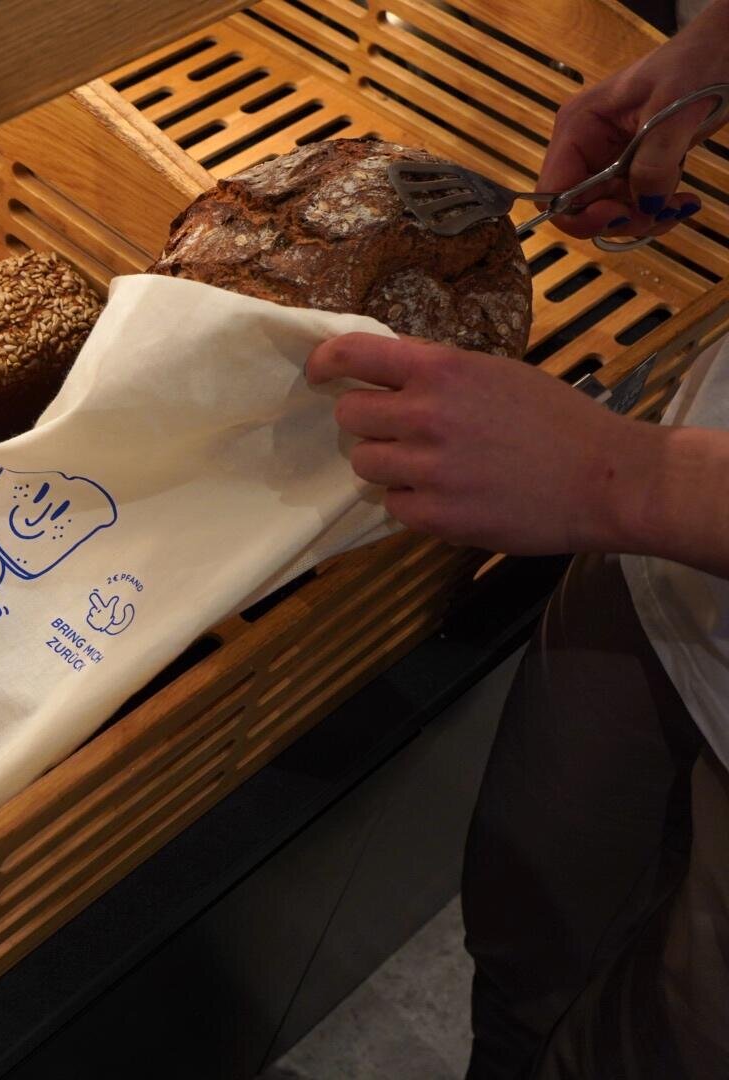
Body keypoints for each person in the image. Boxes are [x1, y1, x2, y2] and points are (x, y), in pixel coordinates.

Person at [304, 2, 729, 1076]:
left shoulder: (628, 476)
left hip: (655, 494)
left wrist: (626, 475)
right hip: (662, 552)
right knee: (525, 925)